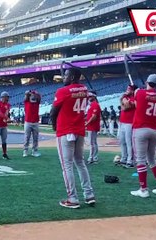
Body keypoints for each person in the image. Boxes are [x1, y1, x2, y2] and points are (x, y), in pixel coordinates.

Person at [50, 68, 95, 208]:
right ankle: (89, 194)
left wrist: (54, 125)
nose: (64, 77)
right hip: (79, 129)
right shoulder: (84, 89)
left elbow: (53, 111)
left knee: (67, 165)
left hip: (65, 130)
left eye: (66, 75)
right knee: (80, 163)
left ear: (73, 76)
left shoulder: (63, 91)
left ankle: (73, 198)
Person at [130, 74, 156, 198]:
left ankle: (143, 189)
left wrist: (135, 88)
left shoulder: (140, 93)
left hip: (141, 129)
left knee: (140, 160)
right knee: (152, 160)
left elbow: (136, 95)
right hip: (154, 130)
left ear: (147, 81)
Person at [118, 84, 137, 168]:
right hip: (122, 122)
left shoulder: (134, 99)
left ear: (133, 90)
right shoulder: (126, 98)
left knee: (129, 142)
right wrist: (122, 100)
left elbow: (125, 107)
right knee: (122, 141)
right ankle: (124, 158)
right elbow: (122, 105)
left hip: (130, 122)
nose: (127, 90)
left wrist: (122, 99)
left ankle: (130, 160)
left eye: (129, 89)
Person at [23, 90, 41, 157]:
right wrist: (29, 93)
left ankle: (34, 151)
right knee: (27, 137)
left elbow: (39, 96)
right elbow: (26, 94)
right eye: (32, 96)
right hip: (28, 122)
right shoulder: (27, 102)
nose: (33, 97)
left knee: (35, 138)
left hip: (35, 122)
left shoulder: (37, 102)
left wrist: (35, 92)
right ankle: (25, 150)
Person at [85, 91, 101, 164]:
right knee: (93, 142)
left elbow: (93, 117)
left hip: (92, 126)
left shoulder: (95, 105)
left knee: (92, 142)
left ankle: (91, 157)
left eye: (90, 96)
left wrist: (86, 123)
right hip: (91, 126)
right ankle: (94, 157)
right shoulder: (92, 105)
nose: (89, 98)